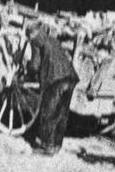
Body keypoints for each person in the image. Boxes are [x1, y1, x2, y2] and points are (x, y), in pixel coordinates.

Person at [26, 22, 79, 156]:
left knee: (48, 112)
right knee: (62, 114)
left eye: (28, 37)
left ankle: (47, 146)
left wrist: (28, 69)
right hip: (70, 77)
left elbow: (35, 66)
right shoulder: (52, 39)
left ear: (31, 34)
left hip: (55, 79)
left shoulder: (36, 42)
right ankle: (57, 145)